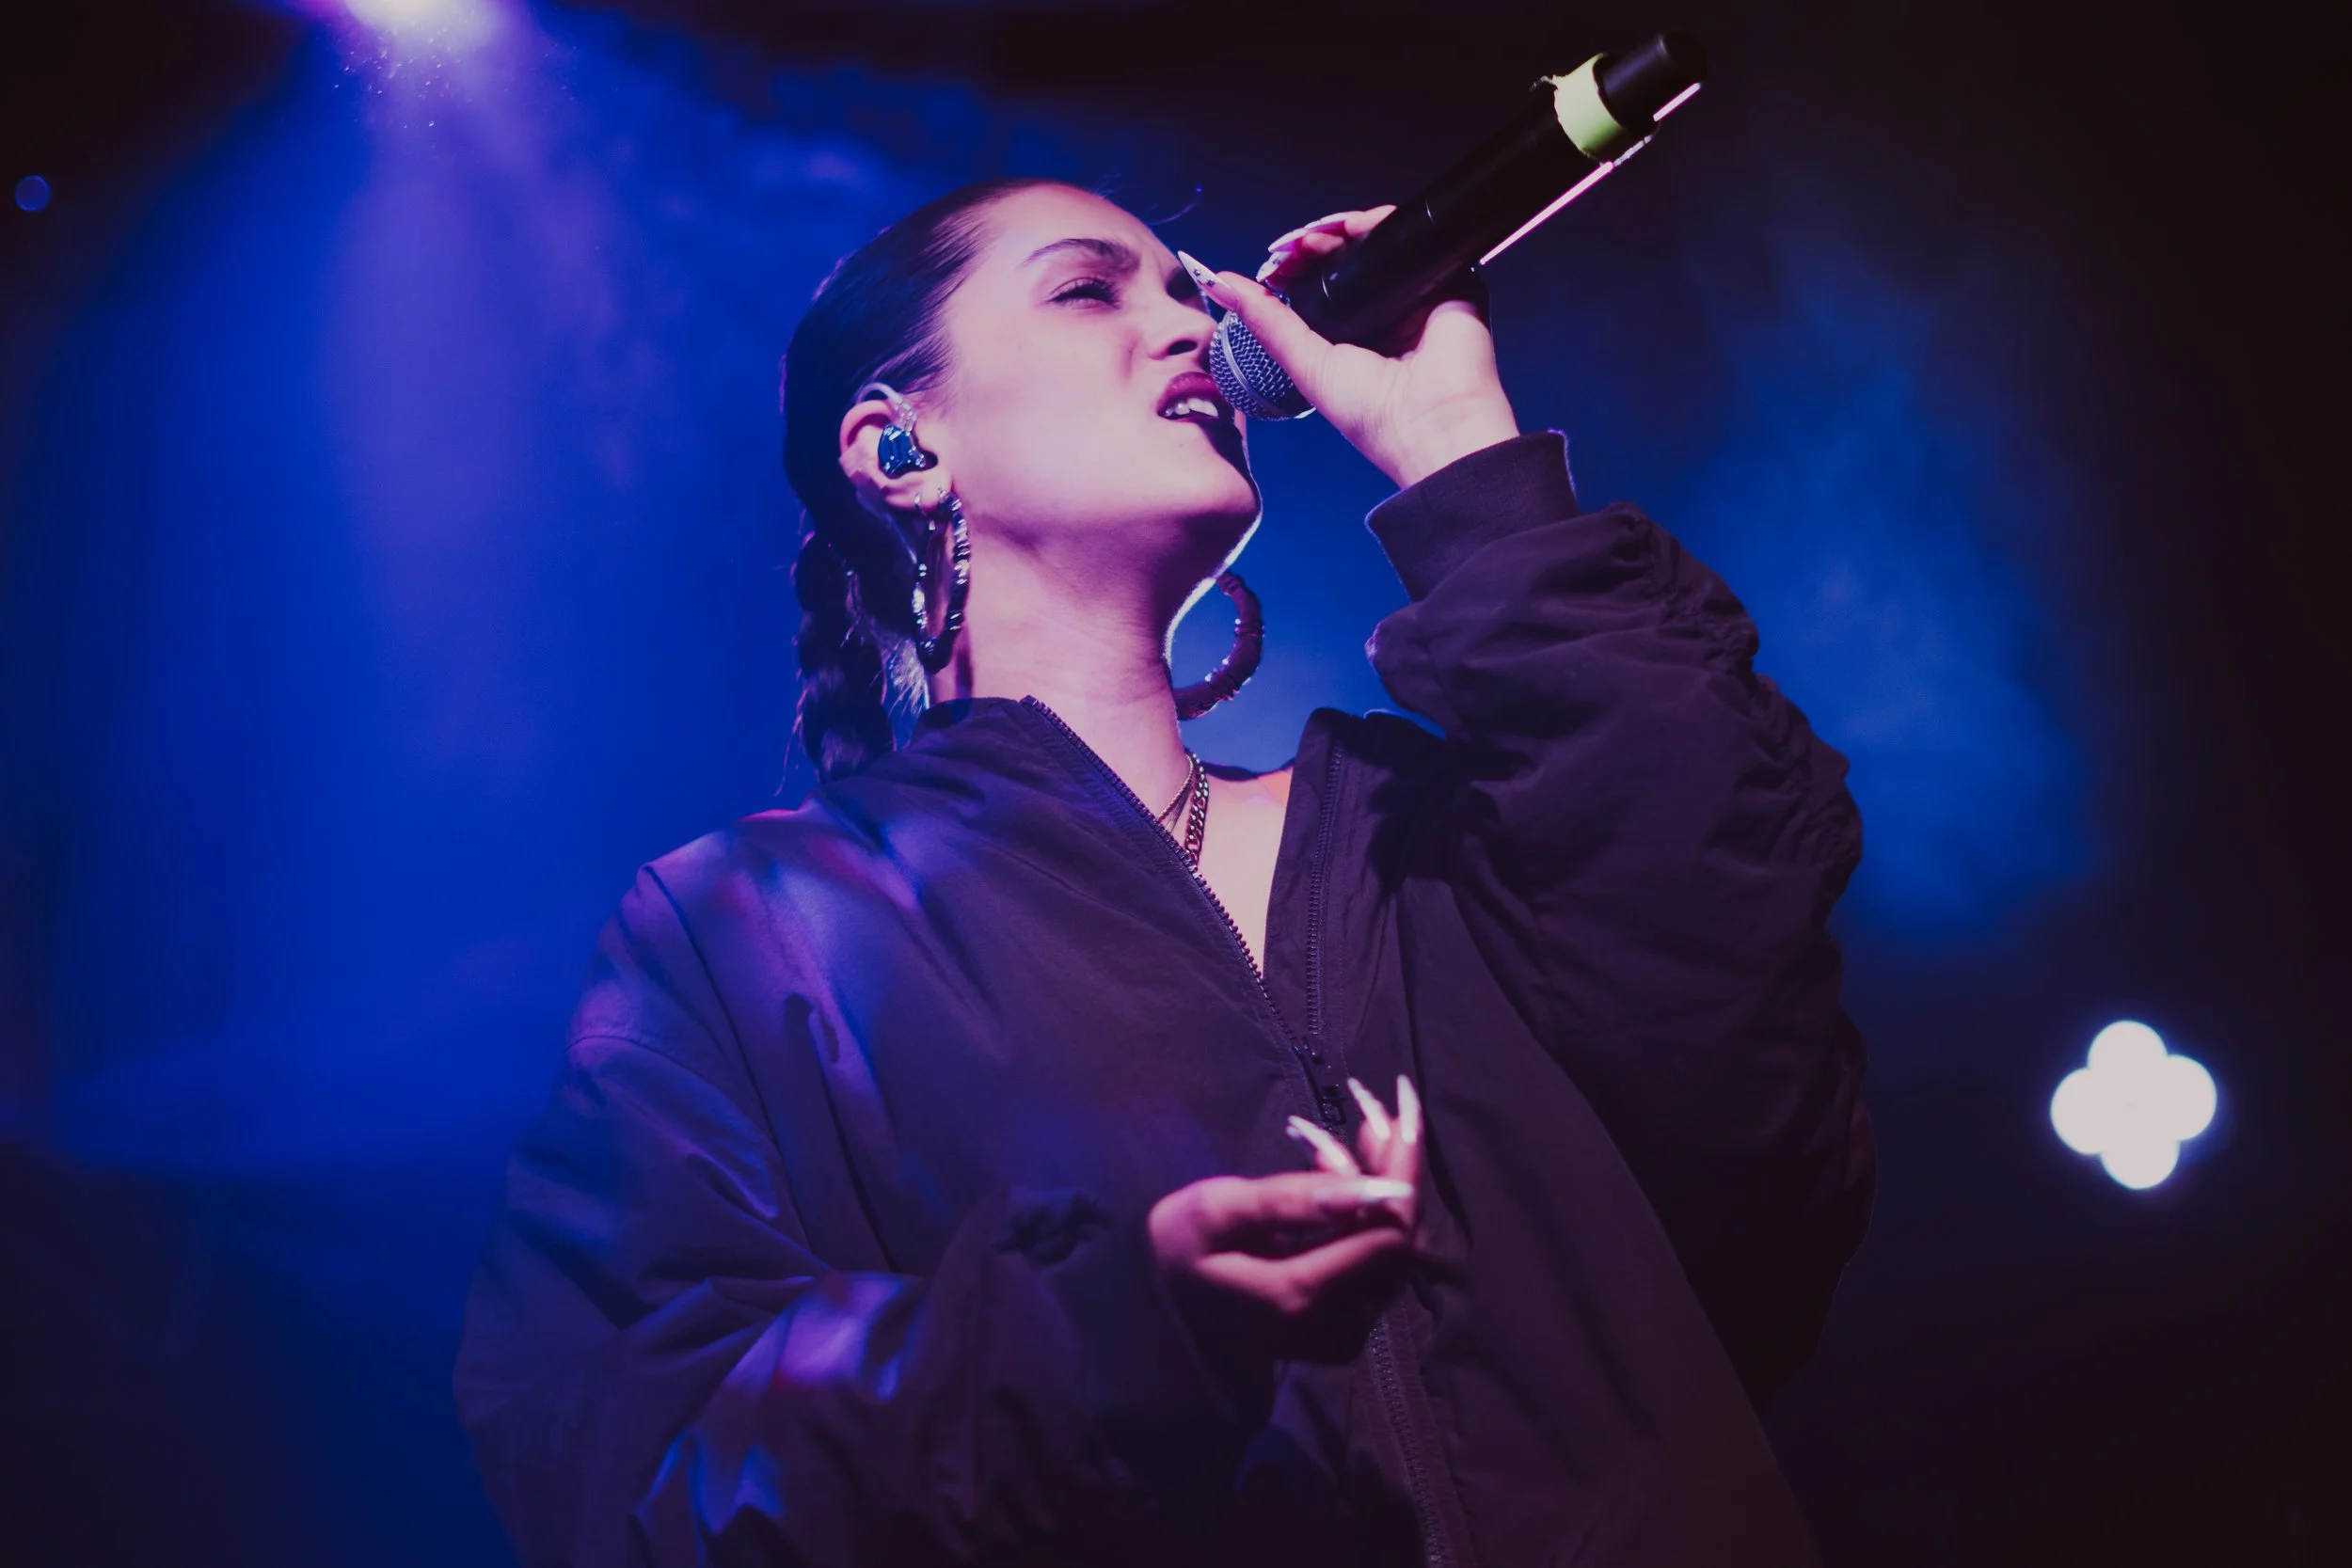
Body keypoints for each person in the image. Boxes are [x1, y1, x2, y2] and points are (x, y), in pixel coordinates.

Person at [453, 176, 1876, 1568]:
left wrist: (1465, 460)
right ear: (899, 452)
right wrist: (1116, 1328)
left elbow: (1747, 1060)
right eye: (1089, 289)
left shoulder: (1415, 819)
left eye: (1192, 293)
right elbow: (648, 1456)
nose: (1196, 325)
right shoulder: (756, 936)